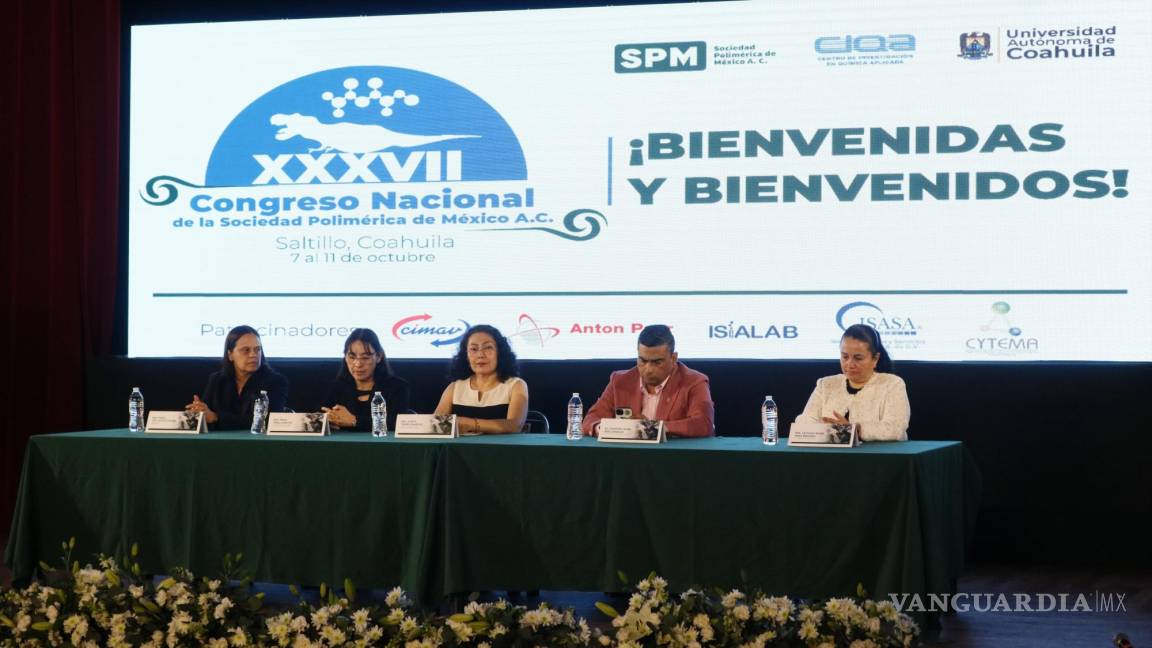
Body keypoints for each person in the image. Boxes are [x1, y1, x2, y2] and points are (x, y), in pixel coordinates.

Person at [583, 324, 714, 438]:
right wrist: (606, 429)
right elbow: (590, 420)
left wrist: (652, 428)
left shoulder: (694, 382)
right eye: (643, 360)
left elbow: (703, 424)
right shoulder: (620, 381)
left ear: (673, 358)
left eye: (657, 362)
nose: (648, 369)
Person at [796, 323, 909, 441]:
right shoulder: (825, 384)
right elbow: (804, 421)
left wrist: (852, 429)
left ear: (875, 358)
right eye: (844, 357)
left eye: (858, 358)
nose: (849, 364)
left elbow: (896, 428)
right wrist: (824, 429)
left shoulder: (892, 384)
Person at [187, 325, 289, 429]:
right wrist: (199, 410)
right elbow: (207, 416)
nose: (253, 355)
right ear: (230, 354)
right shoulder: (217, 380)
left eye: (257, 349)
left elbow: (267, 420)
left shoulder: (276, 381)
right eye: (246, 350)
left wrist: (217, 418)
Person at [433, 324, 528, 435]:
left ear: (500, 353)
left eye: (488, 347)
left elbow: (514, 425)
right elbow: (435, 425)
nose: (480, 355)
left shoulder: (516, 385)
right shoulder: (455, 387)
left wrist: (470, 424)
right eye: (473, 349)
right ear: (466, 356)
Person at [321, 328, 410, 432]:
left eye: (365, 358)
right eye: (351, 357)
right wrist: (327, 422)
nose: (358, 364)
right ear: (345, 357)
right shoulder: (335, 387)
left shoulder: (397, 387)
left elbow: (397, 422)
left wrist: (354, 421)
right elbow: (321, 416)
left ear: (379, 356)